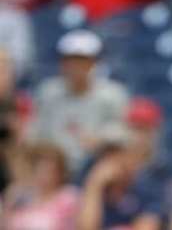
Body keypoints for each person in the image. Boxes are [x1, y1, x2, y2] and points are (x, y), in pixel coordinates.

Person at [29, 29, 129, 173]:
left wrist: (101, 139)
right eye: (70, 60)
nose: (76, 66)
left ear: (93, 63)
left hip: (94, 166)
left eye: (82, 60)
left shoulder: (112, 94)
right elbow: (36, 132)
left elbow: (123, 131)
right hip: (53, 168)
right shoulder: (48, 93)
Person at [77, 97, 172, 230]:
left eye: (144, 129)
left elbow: (149, 223)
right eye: (109, 153)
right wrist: (94, 185)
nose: (138, 136)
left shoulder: (155, 175)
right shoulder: (93, 170)